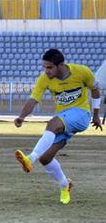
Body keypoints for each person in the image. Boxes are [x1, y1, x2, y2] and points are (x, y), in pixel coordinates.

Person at [14, 49, 102, 205]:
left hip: (81, 114)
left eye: (49, 67)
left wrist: (96, 115)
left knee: (52, 123)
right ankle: (65, 185)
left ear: (60, 65)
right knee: (46, 158)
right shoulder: (44, 79)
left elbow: (95, 90)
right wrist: (21, 117)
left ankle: (29, 159)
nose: (46, 71)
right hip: (64, 119)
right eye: (44, 67)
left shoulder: (82, 72)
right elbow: (33, 99)